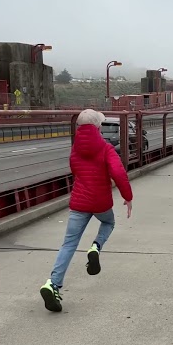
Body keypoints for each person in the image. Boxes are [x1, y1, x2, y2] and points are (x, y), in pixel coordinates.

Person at [40, 110, 134, 312]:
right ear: (98, 128)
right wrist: (128, 197)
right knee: (108, 223)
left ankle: (53, 284)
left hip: (79, 203)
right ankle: (96, 247)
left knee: (68, 244)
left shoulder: (75, 149)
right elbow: (118, 172)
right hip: (100, 203)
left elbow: (75, 170)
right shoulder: (106, 148)